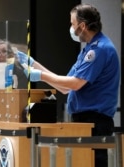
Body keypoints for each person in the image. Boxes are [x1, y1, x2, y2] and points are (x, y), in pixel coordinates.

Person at [26, 4, 120, 167]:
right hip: (83, 121)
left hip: (95, 122)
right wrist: (34, 65)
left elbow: (75, 84)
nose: (71, 28)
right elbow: (64, 86)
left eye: (72, 23)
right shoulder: (87, 50)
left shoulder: (99, 50)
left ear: (82, 26)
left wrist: (40, 75)